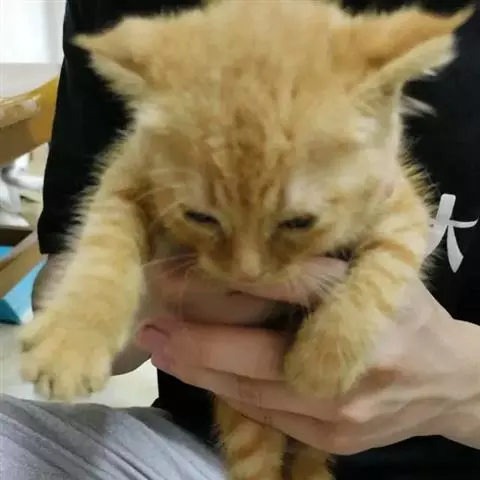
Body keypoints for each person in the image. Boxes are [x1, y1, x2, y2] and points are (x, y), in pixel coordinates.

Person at [1, 0, 480, 479]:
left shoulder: (362, 102)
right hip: (197, 445)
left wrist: (455, 385)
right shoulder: (143, 38)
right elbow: (126, 192)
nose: (247, 268)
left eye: (296, 222)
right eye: (202, 215)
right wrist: (107, 300)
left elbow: (400, 218)